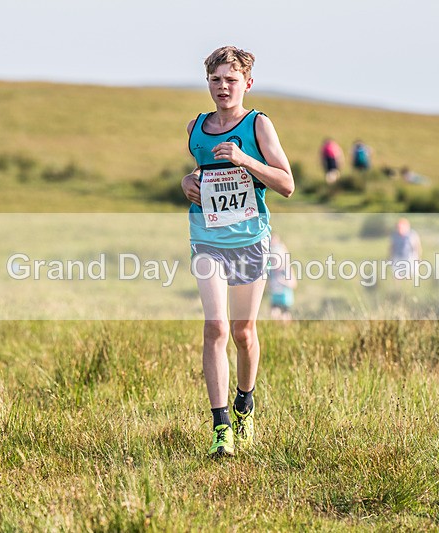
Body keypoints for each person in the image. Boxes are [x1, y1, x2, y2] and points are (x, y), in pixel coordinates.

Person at [180, 46, 294, 457]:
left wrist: (246, 159)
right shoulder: (196, 125)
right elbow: (202, 172)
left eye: (231, 80)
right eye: (215, 79)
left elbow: (286, 183)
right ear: (207, 82)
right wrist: (187, 183)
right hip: (207, 237)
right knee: (216, 329)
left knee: (244, 333)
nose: (223, 87)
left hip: (249, 241)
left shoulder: (258, 124)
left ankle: (246, 403)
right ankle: (221, 426)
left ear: (247, 83)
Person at [267, 234, 296, 322]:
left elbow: (293, 284)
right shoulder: (271, 272)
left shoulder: (287, 269)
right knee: (274, 316)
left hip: (285, 300)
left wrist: (283, 282)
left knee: (285, 320)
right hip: (274, 300)